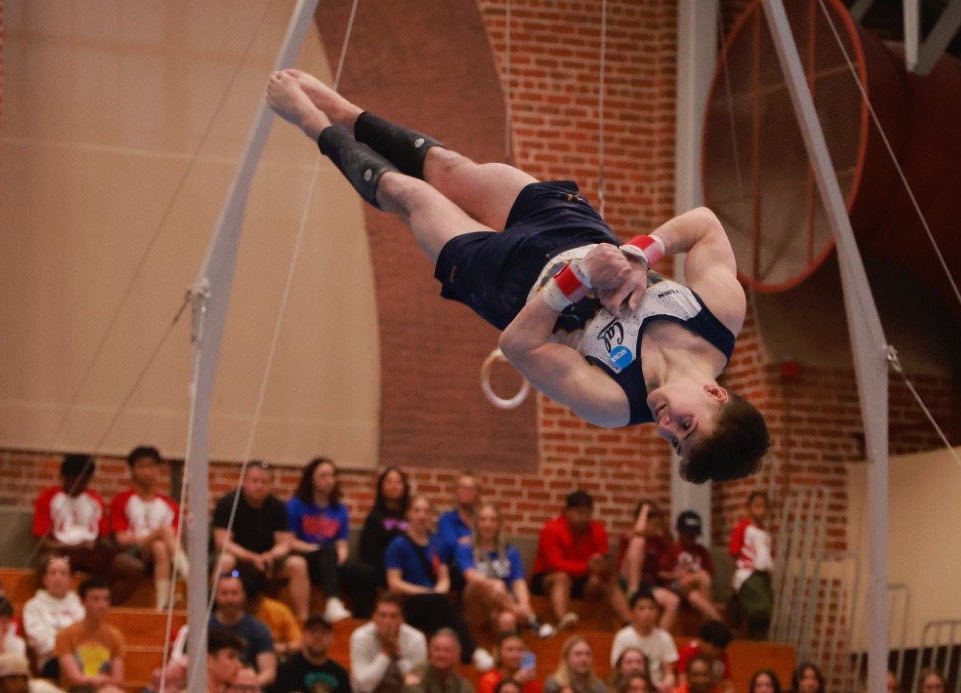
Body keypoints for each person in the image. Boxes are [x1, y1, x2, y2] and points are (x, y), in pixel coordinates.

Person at [264, 69, 770, 485]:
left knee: (410, 196)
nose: (664, 425)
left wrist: (575, 281)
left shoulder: (616, 403)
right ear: (715, 395)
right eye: (685, 424)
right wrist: (640, 255)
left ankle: (310, 122)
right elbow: (704, 225)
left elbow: (519, 346)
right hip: (570, 226)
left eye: (673, 440)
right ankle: (341, 109)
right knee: (448, 167)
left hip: (510, 285)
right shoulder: (720, 317)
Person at [384, 496, 490, 669]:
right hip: (408, 602)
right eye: (417, 511)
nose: (421, 516)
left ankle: (442, 666)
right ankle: (473, 650)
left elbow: (444, 578)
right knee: (442, 604)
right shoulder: (398, 544)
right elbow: (394, 582)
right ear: (409, 515)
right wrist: (426, 593)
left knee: (440, 618)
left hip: (433, 603)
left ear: (432, 516)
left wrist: (436, 592)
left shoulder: (437, 544)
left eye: (426, 511)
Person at [32, 454, 142, 604]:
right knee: (48, 562)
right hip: (61, 554)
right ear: (65, 477)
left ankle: (103, 607)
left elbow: (103, 536)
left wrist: (103, 547)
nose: (80, 486)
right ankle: (56, 607)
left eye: (85, 481)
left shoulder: (94, 500)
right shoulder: (47, 498)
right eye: (76, 480)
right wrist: (72, 546)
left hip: (91, 555)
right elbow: (41, 542)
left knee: (133, 568)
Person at [213, 461, 301, 616]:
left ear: (271, 485)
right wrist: (252, 558)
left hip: (268, 564)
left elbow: (285, 544)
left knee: (297, 565)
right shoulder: (228, 503)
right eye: (254, 481)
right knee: (225, 561)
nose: (259, 486)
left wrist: (270, 555)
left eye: (264, 482)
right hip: (237, 567)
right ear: (244, 481)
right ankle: (213, 612)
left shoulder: (278, 507)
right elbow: (223, 542)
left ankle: (303, 618)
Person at [531, 491, 628, 629]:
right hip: (548, 577)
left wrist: (604, 566)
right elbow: (554, 564)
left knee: (606, 581)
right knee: (562, 578)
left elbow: (601, 562)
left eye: (588, 513)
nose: (584, 517)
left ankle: (629, 622)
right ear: (566, 512)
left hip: (583, 580)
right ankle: (562, 620)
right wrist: (586, 567)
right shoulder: (551, 529)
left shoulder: (598, 530)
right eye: (580, 512)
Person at [110, 445, 189, 611]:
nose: (147, 472)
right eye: (141, 466)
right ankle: (189, 574)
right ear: (132, 470)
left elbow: (176, 539)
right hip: (134, 553)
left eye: (151, 466)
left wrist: (154, 536)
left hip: (163, 556)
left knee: (160, 547)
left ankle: (162, 605)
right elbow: (122, 539)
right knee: (163, 530)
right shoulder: (122, 500)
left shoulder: (169, 505)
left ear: (158, 470)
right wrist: (155, 534)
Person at [457, 504, 550, 638]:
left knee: (507, 619)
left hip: (502, 603)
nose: (487, 524)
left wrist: (524, 604)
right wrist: (519, 609)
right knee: (491, 584)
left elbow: (518, 581)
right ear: (476, 523)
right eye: (483, 520)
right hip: (476, 603)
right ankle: (531, 618)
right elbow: (472, 577)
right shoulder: (466, 547)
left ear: (499, 524)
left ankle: (508, 654)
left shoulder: (510, 551)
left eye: (492, 520)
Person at [286, 457, 355, 622]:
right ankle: (332, 602)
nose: (329, 480)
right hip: (306, 556)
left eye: (332, 475)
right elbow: (290, 541)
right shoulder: (296, 505)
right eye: (323, 476)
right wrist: (317, 549)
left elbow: (342, 544)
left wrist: (340, 556)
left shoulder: (340, 509)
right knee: (327, 550)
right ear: (311, 479)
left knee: (365, 574)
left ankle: (362, 618)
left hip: (330, 560)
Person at [347, 467, 411, 618]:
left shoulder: (410, 517)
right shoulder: (374, 518)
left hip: (407, 567)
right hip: (381, 569)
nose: (394, 485)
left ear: (404, 487)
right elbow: (369, 551)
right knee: (366, 575)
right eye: (389, 481)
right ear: (382, 487)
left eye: (398, 482)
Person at [54, 577, 126, 693]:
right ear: (83, 601)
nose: (102, 605)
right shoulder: (65, 635)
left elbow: (118, 679)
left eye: (105, 599)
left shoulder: (115, 635)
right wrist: (98, 680)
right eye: (96, 599)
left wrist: (102, 682)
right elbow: (74, 678)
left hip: (104, 688)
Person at [616, 502, 679, 630]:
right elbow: (638, 532)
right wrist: (645, 509)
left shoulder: (660, 541)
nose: (653, 525)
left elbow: (661, 571)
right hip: (626, 580)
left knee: (673, 601)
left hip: (647, 585)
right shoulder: (629, 535)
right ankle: (633, 590)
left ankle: (659, 640)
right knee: (638, 542)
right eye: (648, 520)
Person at [22, 555, 85, 679]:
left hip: (81, 657)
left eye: (63, 573)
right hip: (52, 661)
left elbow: (86, 637)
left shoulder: (80, 605)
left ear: (70, 580)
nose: (58, 577)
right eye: (53, 573)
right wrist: (68, 645)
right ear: (44, 579)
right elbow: (41, 643)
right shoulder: (33, 607)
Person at [210, 572, 277, 687]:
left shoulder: (259, 629)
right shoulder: (202, 630)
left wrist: (243, 686)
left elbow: (268, 673)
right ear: (215, 596)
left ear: (244, 595)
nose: (229, 598)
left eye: (234, 593)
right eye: (224, 593)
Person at [349, 594, 427, 693]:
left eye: (393, 616)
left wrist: (399, 656)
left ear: (402, 619)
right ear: (374, 617)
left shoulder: (416, 639)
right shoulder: (360, 637)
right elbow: (364, 687)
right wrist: (384, 654)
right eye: (382, 615)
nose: (387, 622)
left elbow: (416, 685)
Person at [657, 511, 721, 628]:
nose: (691, 538)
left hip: (694, 590)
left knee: (695, 597)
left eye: (693, 535)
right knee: (702, 576)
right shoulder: (672, 549)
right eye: (687, 534)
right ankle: (720, 626)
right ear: (679, 532)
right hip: (675, 586)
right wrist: (679, 576)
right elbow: (660, 573)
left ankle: (712, 626)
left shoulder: (701, 551)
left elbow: (710, 575)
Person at [609, 592, 677, 693]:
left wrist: (664, 684)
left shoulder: (664, 638)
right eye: (641, 608)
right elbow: (617, 670)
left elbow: (669, 674)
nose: (647, 613)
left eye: (651, 608)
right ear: (632, 612)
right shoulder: (623, 636)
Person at [727, 492, 773, 641]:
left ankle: (758, 641)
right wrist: (740, 570)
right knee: (759, 609)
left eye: (764, 507)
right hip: (748, 574)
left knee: (765, 614)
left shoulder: (765, 532)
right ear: (749, 508)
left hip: (763, 575)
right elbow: (734, 551)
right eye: (757, 506)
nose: (761, 510)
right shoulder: (743, 528)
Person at [269, 615, 352, 693]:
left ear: (332, 639)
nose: (318, 637)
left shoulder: (340, 674)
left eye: (323, 632)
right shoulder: (285, 670)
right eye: (313, 632)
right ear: (303, 636)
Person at [242, 568, 302, 660]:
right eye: (247, 601)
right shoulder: (233, 612)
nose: (250, 606)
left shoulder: (279, 610)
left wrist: (280, 648)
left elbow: (298, 643)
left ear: (261, 596)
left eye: (254, 601)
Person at [434, 472, 479, 594]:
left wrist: (467, 541)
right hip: (454, 569)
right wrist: (475, 541)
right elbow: (452, 546)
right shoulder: (446, 520)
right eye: (463, 488)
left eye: (471, 489)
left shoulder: (482, 520)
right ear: (456, 492)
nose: (467, 492)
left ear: (477, 493)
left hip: (480, 565)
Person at [405, 629, 474, 693]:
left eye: (447, 650)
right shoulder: (419, 671)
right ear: (430, 652)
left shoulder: (461, 684)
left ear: (457, 654)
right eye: (437, 650)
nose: (441, 655)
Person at [674, 622, 733, 693]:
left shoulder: (722, 656)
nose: (717, 652)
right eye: (714, 648)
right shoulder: (687, 652)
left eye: (720, 649)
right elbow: (682, 682)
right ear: (702, 641)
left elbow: (728, 686)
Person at [541, 636, 607, 693]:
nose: (584, 659)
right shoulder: (554, 684)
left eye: (588, 654)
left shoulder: (599, 686)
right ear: (566, 659)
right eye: (578, 654)